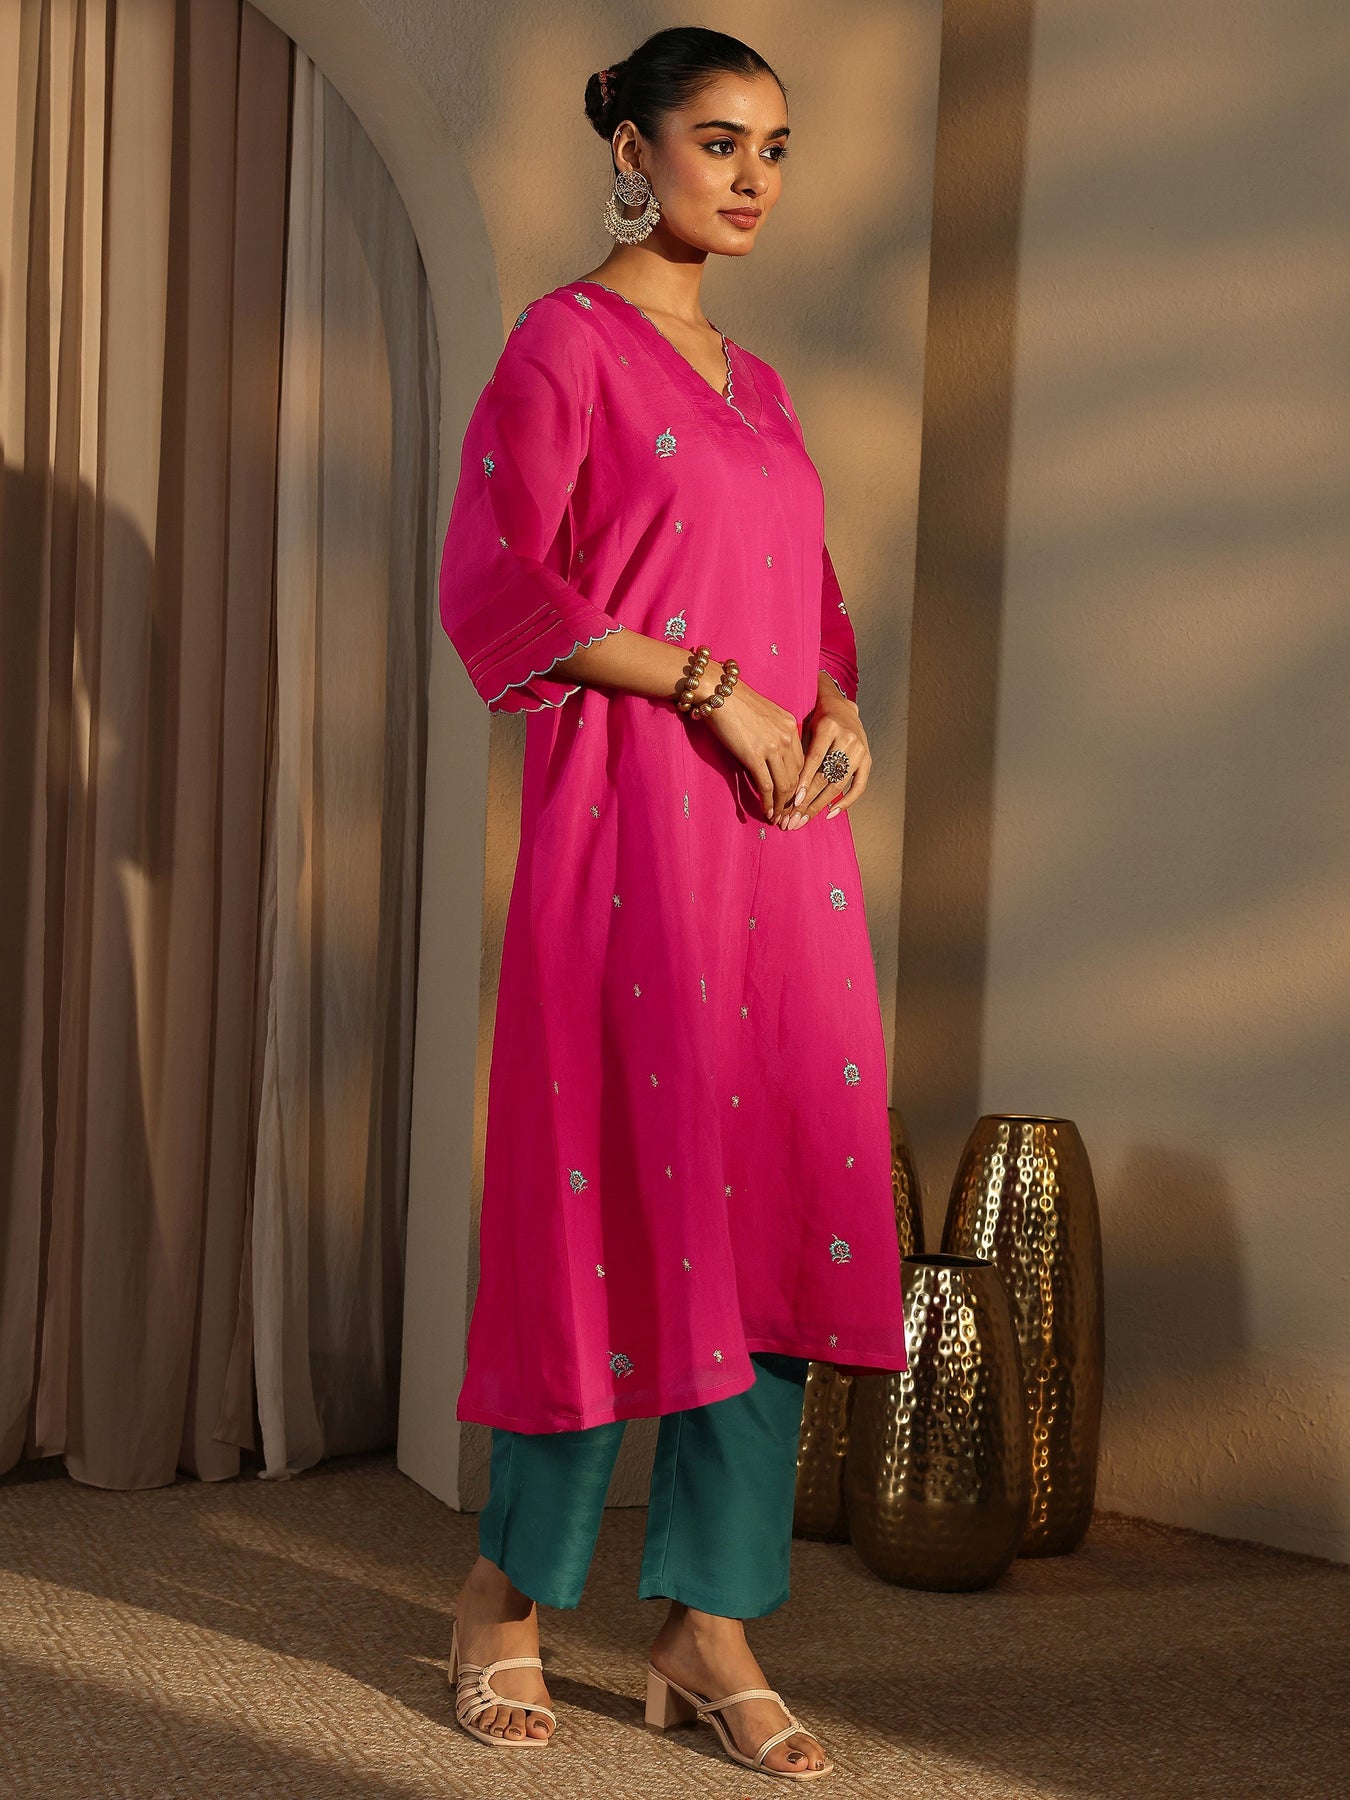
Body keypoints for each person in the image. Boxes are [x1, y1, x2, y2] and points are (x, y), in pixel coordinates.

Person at [437, 25, 908, 1781]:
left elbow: (807, 592)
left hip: (780, 849)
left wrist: (834, 702)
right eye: (718, 141)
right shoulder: (560, 344)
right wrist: (716, 689)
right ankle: (503, 1597)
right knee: (599, 1201)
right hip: (630, 830)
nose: (752, 176)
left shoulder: (757, 383)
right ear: (631, 151)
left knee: (776, 1209)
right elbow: (503, 583)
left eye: (774, 147)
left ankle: (709, 1622)